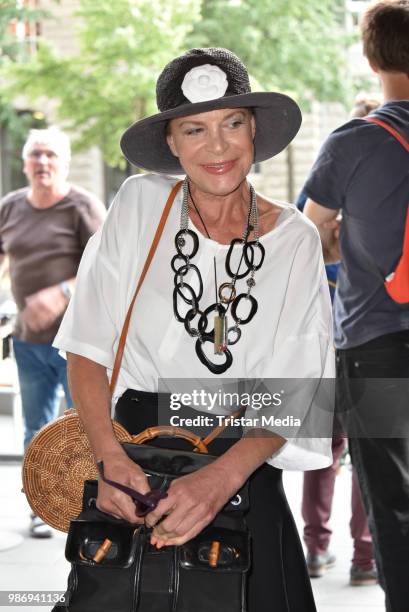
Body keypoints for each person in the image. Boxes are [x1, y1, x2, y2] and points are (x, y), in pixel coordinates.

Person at [54, 47, 334, 611]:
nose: (218, 146)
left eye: (233, 123)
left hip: (242, 475)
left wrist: (218, 481)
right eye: (195, 129)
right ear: (172, 144)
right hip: (132, 475)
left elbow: (299, 391)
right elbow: (86, 349)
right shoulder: (138, 205)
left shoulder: (296, 239)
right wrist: (109, 462)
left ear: (254, 129)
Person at [303, 2, 409, 610]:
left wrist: (346, 234)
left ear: (372, 59)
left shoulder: (357, 140)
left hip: (376, 343)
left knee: (392, 504)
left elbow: (306, 233)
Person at [0, 127, 106, 537]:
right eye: (35, 155)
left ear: (63, 161)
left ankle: (88, 506)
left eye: (50, 155)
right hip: (28, 340)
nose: (42, 162)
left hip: (78, 343)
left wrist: (61, 293)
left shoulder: (82, 207)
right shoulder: (10, 207)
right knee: (35, 427)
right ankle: (39, 506)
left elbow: (106, 266)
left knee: (84, 424)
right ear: (24, 163)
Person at [300, 94, 382, 587]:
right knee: (358, 454)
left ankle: (321, 548)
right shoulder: (383, 206)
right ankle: (362, 556)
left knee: (326, 454)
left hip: (332, 347)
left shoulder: (314, 203)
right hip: (361, 344)